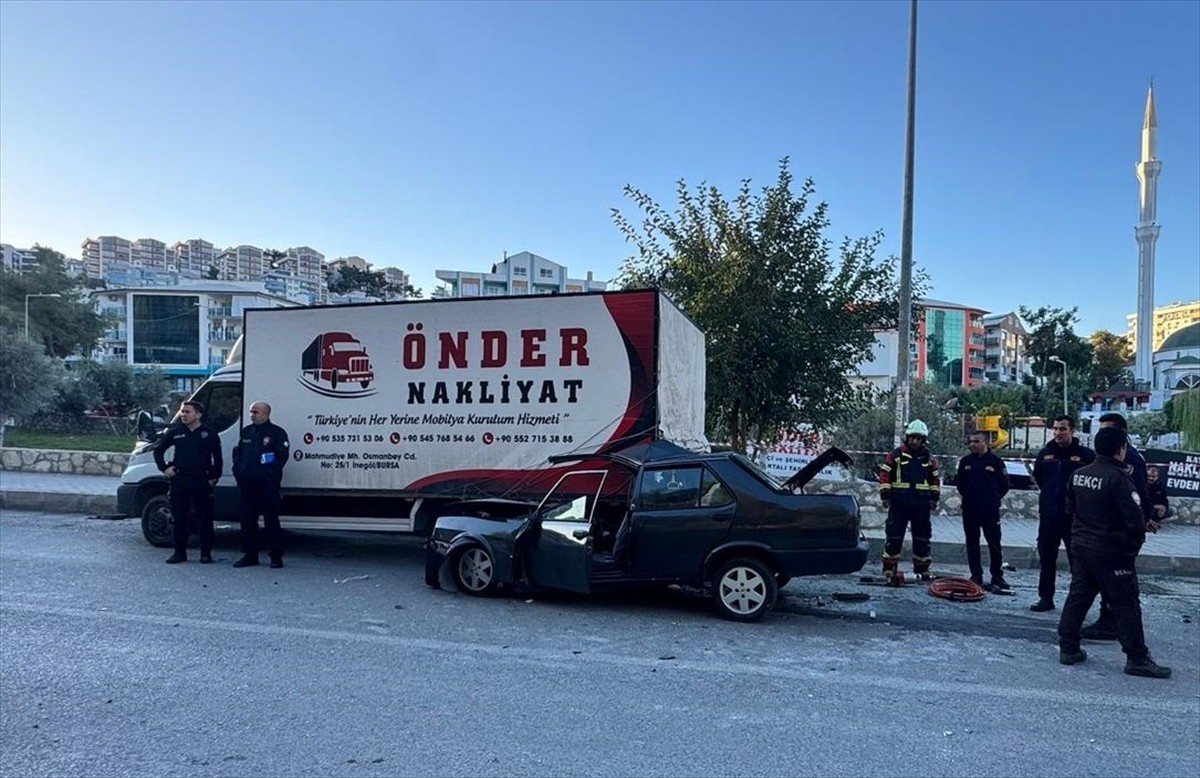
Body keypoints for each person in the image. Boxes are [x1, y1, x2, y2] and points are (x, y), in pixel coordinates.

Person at [1056, 427, 1171, 678]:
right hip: (1112, 551)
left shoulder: (1079, 475)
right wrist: (1131, 550)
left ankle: (1068, 647)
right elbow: (1135, 520)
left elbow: (1070, 509)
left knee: (1079, 596)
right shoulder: (1119, 479)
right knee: (1126, 603)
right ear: (1122, 450)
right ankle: (1137, 658)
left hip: (1083, 546)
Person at [1080, 412, 1159, 639]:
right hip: (1106, 528)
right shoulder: (1106, 458)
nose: (1103, 435)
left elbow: (1139, 491)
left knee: (1117, 582)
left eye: (1108, 430)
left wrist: (1144, 518)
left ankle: (1113, 625)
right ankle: (1109, 621)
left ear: (1121, 434)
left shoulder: (1130, 458)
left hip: (1121, 530)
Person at [1029, 415, 1095, 612]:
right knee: (1047, 559)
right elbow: (1040, 478)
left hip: (1074, 517)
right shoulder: (1045, 454)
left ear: (1072, 431)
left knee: (1078, 563)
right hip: (1049, 516)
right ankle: (1045, 599)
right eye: (1055, 428)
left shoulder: (1086, 456)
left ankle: (1077, 604)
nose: (1058, 432)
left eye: (1062, 429)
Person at [153, 400, 223, 564]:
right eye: (182, 412)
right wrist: (164, 469)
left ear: (198, 415)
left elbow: (217, 459)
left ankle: (205, 553)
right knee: (179, 517)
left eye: (187, 412)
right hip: (180, 479)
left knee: (205, 518)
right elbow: (158, 450)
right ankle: (179, 552)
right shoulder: (175, 432)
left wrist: (214, 477)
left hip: (201, 480)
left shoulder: (209, 434)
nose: (183, 415)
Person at [879, 419, 941, 582]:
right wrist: (885, 495)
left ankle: (922, 568)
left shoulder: (929, 458)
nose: (915, 441)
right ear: (907, 437)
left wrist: (934, 498)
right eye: (912, 438)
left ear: (923, 440)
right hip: (899, 502)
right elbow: (885, 475)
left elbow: (935, 479)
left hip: (921, 504)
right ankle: (889, 568)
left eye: (918, 438)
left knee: (923, 536)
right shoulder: (896, 455)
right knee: (894, 535)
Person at [232, 401, 290, 569]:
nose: (252, 415)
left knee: (271, 522)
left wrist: (267, 474)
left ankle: (275, 556)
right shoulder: (247, 432)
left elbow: (281, 456)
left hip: (267, 486)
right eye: (251, 412)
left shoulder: (276, 433)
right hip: (247, 485)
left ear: (266, 414)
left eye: (256, 412)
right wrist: (239, 471)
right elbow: (238, 454)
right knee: (247, 521)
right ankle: (250, 555)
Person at [955, 431, 1011, 591]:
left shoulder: (996, 462)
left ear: (985, 443)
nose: (973, 444)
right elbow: (960, 485)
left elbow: (1004, 485)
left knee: (994, 543)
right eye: (971, 441)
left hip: (989, 510)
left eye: (976, 441)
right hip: (970, 509)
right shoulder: (966, 461)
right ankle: (976, 575)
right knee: (972, 543)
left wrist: (992, 499)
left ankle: (997, 576)